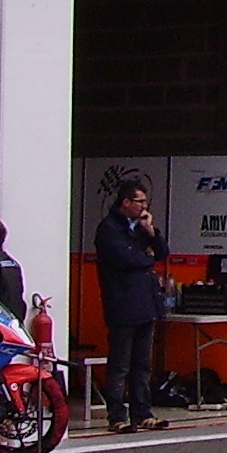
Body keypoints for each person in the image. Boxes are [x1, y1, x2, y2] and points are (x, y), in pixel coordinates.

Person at [95, 180, 171, 434]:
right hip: (122, 304)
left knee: (142, 364)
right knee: (120, 364)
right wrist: (146, 258)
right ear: (126, 202)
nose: (143, 206)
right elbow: (124, 258)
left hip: (146, 303)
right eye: (139, 201)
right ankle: (117, 415)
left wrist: (151, 232)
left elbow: (162, 253)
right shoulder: (109, 229)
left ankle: (142, 411)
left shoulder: (140, 228)